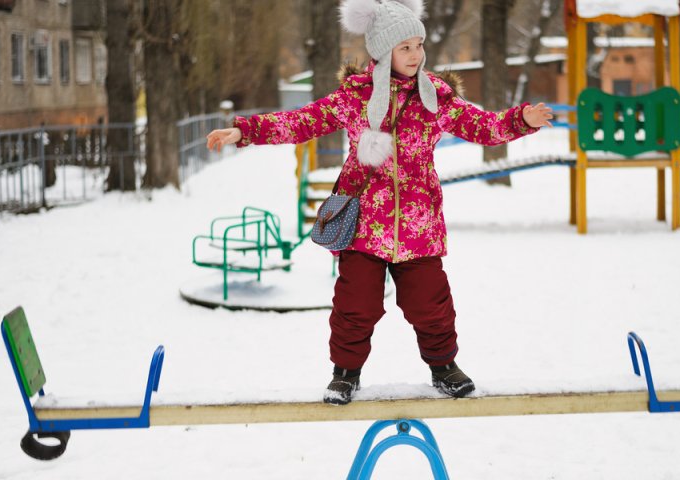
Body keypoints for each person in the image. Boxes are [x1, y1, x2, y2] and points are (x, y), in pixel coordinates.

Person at [206, 0, 553, 405]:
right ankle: (345, 374)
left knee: (432, 304)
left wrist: (519, 121)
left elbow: (482, 126)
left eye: (418, 45)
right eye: (405, 47)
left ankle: (444, 367)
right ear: (383, 50)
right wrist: (244, 131)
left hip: (418, 227)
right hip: (363, 226)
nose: (416, 55)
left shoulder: (434, 98)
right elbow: (302, 121)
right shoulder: (355, 96)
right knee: (355, 306)